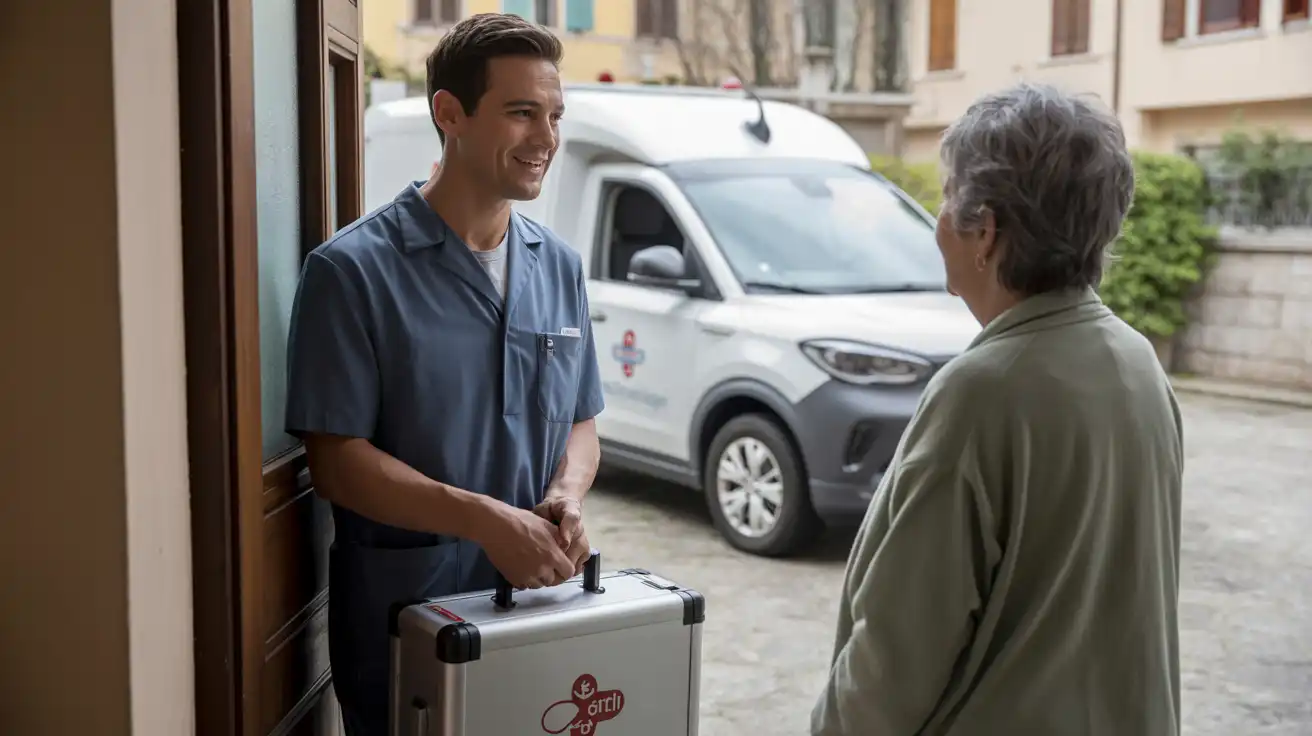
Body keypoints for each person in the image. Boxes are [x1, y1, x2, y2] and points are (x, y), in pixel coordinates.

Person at [811, 82, 1183, 735]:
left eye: (947, 195)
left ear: (984, 231)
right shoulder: (1137, 363)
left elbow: (895, 660)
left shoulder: (981, 392)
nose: (938, 218)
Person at [283, 13, 604, 736]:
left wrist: (566, 492)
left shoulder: (560, 266)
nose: (546, 138)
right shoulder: (351, 272)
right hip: (407, 622)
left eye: (554, 115)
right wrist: (484, 520)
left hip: (536, 617)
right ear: (449, 113)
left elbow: (582, 420)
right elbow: (337, 463)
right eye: (521, 112)